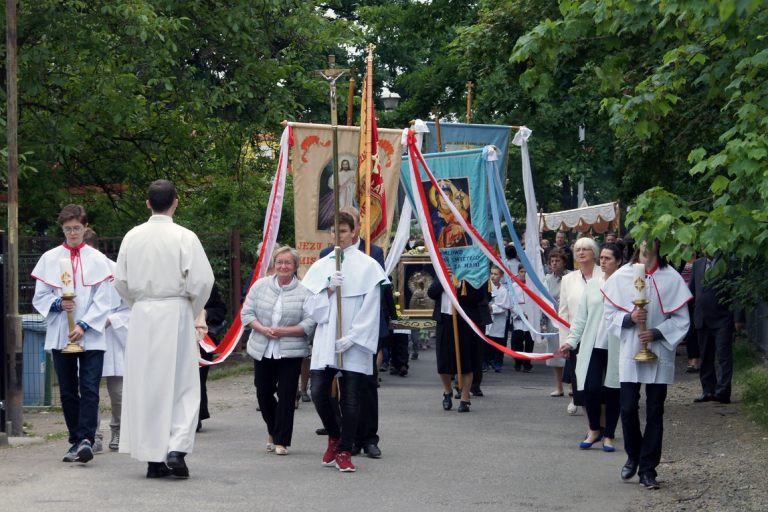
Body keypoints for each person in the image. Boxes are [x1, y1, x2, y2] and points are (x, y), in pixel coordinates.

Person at [115, 179, 214, 479]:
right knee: (182, 383)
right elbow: (202, 281)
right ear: (176, 202)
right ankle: (175, 449)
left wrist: (140, 304)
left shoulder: (132, 237)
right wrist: (191, 310)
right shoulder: (184, 236)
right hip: (175, 311)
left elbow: (121, 280)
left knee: (147, 385)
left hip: (144, 313)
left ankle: (153, 458)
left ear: (148, 203)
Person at [302, 211, 388, 472]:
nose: (337, 235)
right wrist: (328, 288)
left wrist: (353, 337)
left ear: (353, 232)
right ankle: (334, 434)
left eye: (342, 230)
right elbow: (311, 309)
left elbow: (372, 307)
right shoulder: (323, 264)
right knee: (318, 392)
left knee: (351, 397)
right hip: (328, 337)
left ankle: (344, 450)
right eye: (333, 231)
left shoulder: (368, 265)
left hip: (354, 339)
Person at [602, 240, 692, 490]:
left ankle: (648, 468)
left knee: (655, 411)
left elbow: (682, 320)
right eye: (641, 239)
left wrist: (657, 332)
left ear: (659, 244)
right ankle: (634, 454)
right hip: (631, 348)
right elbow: (609, 314)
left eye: (651, 239)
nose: (645, 244)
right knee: (628, 408)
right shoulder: (623, 275)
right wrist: (629, 318)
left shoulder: (670, 277)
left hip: (659, 351)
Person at [31, 204, 113, 464]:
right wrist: (58, 304)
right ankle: (75, 440)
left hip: (91, 335)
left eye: (77, 228)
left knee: (89, 387)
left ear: (85, 227)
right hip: (60, 334)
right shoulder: (49, 258)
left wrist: (84, 325)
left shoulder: (98, 260)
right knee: (67, 390)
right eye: (68, 229)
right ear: (62, 228)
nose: (73, 233)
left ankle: (87, 439)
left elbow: (104, 299)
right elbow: (40, 296)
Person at [242, 246, 316, 456]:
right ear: (274, 264)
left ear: (295, 267)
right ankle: (273, 430)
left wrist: (285, 331)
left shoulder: (304, 291)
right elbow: (247, 314)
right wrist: (262, 328)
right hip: (263, 348)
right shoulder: (260, 286)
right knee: (263, 392)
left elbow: (310, 322)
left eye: (288, 263)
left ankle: (282, 440)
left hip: (290, 352)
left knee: (286, 396)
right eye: (280, 262)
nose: (283, 266)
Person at [559, 243, 623, 452]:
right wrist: (571, 340)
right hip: (593, 344)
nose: (603, 262)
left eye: (608, 258)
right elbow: (581, 318)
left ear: (619, 261)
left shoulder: (625, 285)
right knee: (590, 387)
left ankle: (609, 435)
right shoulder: (593, 285)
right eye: (602, 258)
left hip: (616, 345)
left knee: (613, 389)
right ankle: (594, 428)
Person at [83, 227, 127, 453]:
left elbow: (130, 305)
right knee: (89, 390)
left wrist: (113, 319)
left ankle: (118, 429)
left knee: (118, 391)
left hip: (111, 335)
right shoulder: (73, 270)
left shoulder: (115, 271)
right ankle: (93, 434)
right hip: (85, 335)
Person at [428, 273, 491, 413]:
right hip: (445, 319)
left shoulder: (471, 273)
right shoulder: (442, 271)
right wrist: (445, 281)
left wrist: (460, 286)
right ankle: (447, 391)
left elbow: (478, 297)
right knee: (443, 361)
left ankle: (465, 397)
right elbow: (431, 292)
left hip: (465, 320)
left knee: (466, 360)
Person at [689, 253, 745, 404]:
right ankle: (708, 390)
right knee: (705, 356)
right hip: (702, 317)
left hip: (723, 318)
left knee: (723, 356)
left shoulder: (728, 262)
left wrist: (738, 317)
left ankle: (723, 391)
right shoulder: (698, 264)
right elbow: (692, 291)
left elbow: (737, 292)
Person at [559, 237, 602, 414]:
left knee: (598, 383)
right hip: (576, 337)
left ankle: (603, 423)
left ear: (595, 253)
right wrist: (565, 342)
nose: (581, 252)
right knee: (581, 382)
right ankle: (591, 424)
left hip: (600, 336)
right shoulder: (568, 279)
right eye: (578, 249)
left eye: (586, 249)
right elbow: (563, 312)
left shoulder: (605, 275)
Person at [197, 285, 227, 432]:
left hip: (203, 339)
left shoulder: (206, 285)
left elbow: (220, 310)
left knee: (198, 378)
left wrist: (206, 313)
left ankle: (195, 416)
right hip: (173, 335)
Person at [542, 249, 570, 396]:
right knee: (555, 354)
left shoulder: (571, 277)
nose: (554, 263)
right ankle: (559, 387)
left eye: (557, 260)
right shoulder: (547, 279)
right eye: (552, 261)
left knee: (570, 354)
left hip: (567, 320)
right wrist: (542, 322)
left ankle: (573, 387)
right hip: (552, 321)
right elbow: (542, 300)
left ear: (564, 262)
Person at [485, 266, 512, 372]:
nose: (493, 276)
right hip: (487, 319)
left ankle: (498, 363)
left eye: (496, 274)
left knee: (499, 343)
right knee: (487, 343)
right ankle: (485, 362)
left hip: (498, 320)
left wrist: (492, 307)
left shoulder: (504, 291)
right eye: (491, 273)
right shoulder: (486, 287)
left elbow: (505, 306)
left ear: (501, 276)